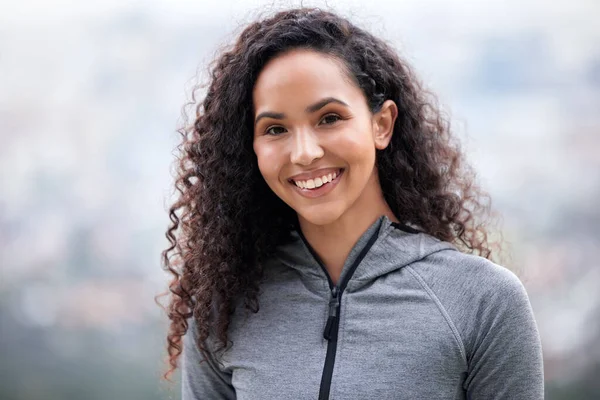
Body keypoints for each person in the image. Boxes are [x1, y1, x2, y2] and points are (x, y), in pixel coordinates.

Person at [160, 7, 544, 399]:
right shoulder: (224, 310)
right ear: (252, 148)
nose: (305, 153)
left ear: (382, 124)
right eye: (275, 129)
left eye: (329, 118)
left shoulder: (482, 301)